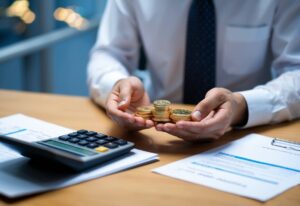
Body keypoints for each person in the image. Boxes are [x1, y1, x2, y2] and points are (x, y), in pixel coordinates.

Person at [87, 0, 300, 142]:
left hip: (240, 135)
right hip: (156, 135)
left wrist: (242, 107)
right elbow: (108, 55)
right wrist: (118, 86)